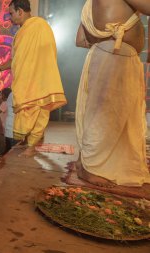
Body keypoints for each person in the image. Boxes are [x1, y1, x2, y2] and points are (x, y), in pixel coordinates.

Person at [75, 0, 150, 187]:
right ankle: (91, 168)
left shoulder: (89, 4)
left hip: (106, 54)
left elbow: (79, 39)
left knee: (105, 116)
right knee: (105, 117)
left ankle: (86, 162)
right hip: (114, 56)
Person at [0, 0, 66, 157]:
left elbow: (47, 54)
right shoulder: (20, 34)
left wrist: (38, 74)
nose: (10, 17)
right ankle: (25, 146)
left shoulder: (40, 26)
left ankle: (31, 146)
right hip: (23, 83)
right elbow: (17, 60)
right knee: (23, 116)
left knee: (38, 111)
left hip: (38, 81)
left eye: (11, 13)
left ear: (20, 11)